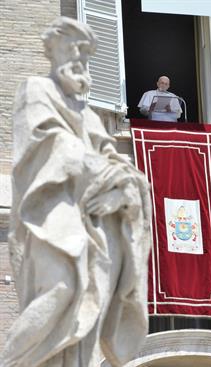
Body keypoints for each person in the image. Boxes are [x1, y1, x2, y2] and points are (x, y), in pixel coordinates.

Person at [1, 17, 151, 367]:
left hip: (95, 228)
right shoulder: (35, 89)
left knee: (89, 308)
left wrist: (123, 191)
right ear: (54, 51)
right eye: (74, 51)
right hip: (51, 218)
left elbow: (123, 169)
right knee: (61, 291)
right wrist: (102, 171)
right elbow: (49, 144)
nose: (81, 61)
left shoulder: (89, 114)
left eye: (86, 56)